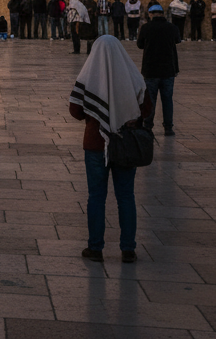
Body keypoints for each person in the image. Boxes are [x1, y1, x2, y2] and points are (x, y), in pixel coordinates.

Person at [69, 35, 153, 263]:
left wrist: (98, 114)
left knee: (96, 196)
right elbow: (146, 108)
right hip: (125, 144)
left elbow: (75, 111)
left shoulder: (88, 76)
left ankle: (95, 248)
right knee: (126, 196)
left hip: (96, 144)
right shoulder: (133, 75)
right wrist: (124, 114)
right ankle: (128, 249)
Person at [136, 3, 179, 136]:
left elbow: (140, 45)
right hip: (168, 70)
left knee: (150, 99)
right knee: (167, 100)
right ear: (162, 14)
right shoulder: (171, 27)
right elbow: (177, 40)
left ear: (150, 14)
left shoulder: (146, 28)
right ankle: (168, 127)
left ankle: (148, 125)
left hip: (151, 70)